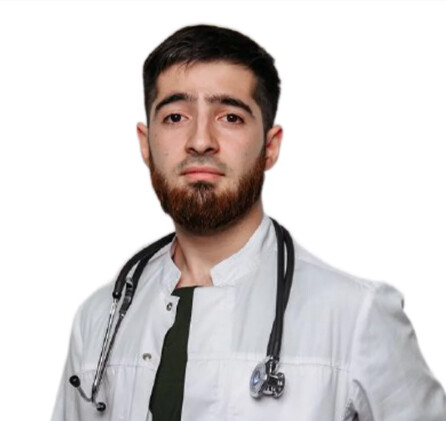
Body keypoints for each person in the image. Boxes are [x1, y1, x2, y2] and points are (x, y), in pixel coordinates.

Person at [51, 24, 446, 421]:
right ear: (145, 143)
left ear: (269, 147)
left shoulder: (356, 317)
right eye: (175, 116)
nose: (200, 140)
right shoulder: (98, 319)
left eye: (230, 117)